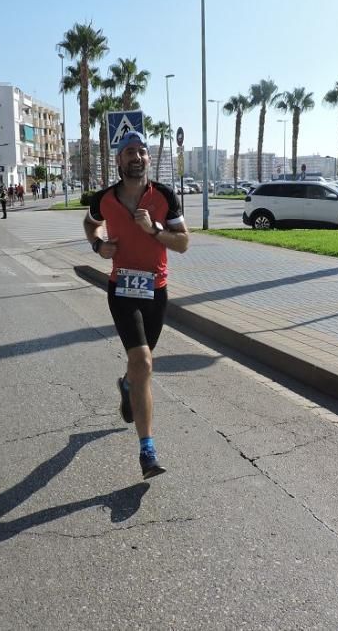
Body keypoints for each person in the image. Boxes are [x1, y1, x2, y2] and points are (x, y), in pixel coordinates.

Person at [83, 131, 189, 479]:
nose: (137, 157)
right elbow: (90, 222)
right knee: (143, 359)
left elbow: (184, 242)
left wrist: (155, 230)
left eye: (142, 152)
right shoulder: (105, 199)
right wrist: (98, 247)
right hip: (122, 291)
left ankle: (127, 385)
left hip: (156, 292)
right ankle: (147, 451)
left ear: (148, 159)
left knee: (140, 366)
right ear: (118, 160)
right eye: (130, 151)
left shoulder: (164, 196)